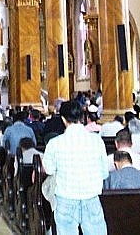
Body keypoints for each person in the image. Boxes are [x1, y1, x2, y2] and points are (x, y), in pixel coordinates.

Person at [42, 100, 108, 235]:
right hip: (91, 197)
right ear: (82, 117)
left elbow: (48, 169)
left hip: (65, 198)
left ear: (63, 119)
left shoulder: (55, 143)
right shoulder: (97, 140)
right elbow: (104, 173)